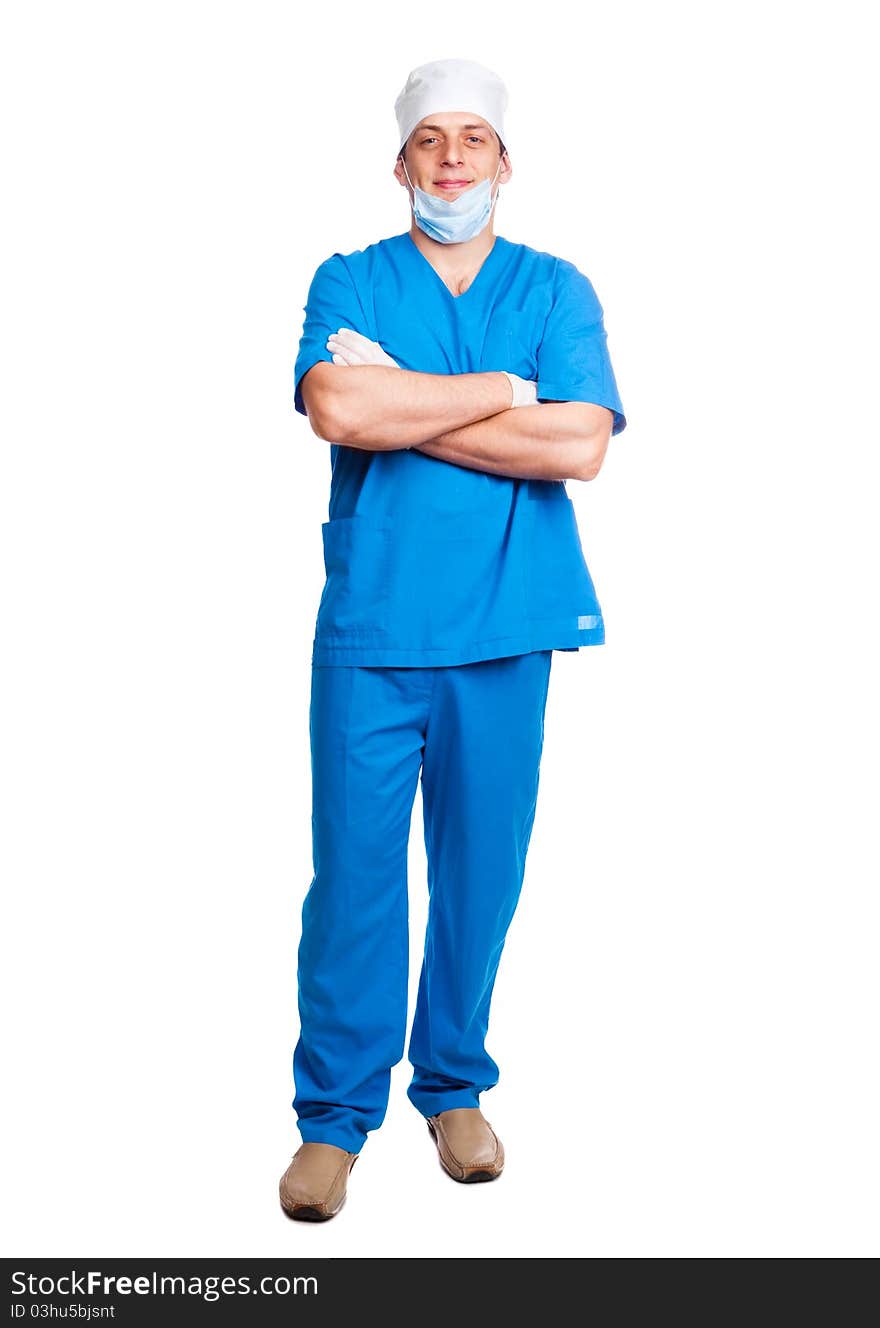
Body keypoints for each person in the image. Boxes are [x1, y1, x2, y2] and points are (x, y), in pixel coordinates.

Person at [279, 57, 627, 1221]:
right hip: (373, 627)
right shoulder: (349, 278)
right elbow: (338, 407)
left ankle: (453, 1086)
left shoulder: (554, 287)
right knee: (357, 881)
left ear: (503, 164)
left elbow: (578, 444)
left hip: (505, 624)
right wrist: (494, 389)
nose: (452, 159)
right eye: (432, 140)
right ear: (400, 165)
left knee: (481, 875)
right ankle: (332, 1115)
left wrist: (409, 400)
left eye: (472, 139)